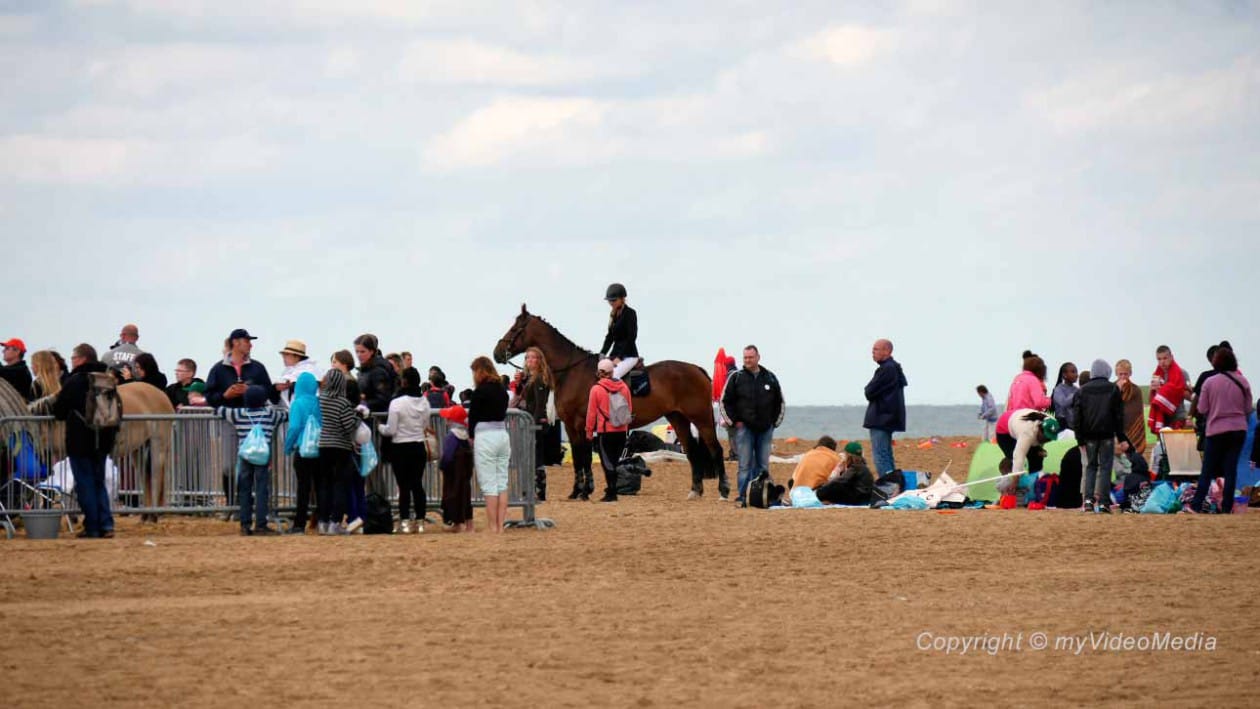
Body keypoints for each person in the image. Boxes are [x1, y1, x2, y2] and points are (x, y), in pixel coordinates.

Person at [51, 344, 118, 538]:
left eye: (73, 357)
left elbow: (60, 411)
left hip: (80, 440)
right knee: (99, 482)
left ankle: (93, 527)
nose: (72, 361)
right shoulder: (107, 380)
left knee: (85, 483)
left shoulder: (75, 381)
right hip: (104, 438)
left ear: (81, 359)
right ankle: (106, 525)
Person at [1189, 347, 1253, 514]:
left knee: (1207, 470)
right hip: (1238, 430)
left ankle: (1196, 505)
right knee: (1230, 469)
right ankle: (1226, 507)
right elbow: (1247, 408)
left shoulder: (1209, 382)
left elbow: (1202, 409)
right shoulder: (1243, 381)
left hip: (1216, 430)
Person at [721, 345, 785, 504]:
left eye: (751, 357)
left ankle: (761, 495)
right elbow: (725, 401)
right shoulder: (736, 377)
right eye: (745, 358)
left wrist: (774, 423)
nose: (748, 360)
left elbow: (780, 402)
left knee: (763, 465)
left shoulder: (770, 377)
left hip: (765, 429)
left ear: (758, 357)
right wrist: (735, 423)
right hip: (745, 430)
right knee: (744, 465)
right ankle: (743, 495)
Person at [216, 386, 284, 535]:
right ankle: (261, 524)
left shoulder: (239, 414)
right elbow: (285, 415)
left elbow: (219, 410)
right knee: (261, 489)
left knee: (244, 490)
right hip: (263, 457)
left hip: (245, 456)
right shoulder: (270, 415)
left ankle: (245, 525)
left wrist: (225, 396)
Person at [1072, 359, 1130, 514]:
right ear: (1107, 372)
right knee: (1105, 467)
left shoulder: (1082, 391)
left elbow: (1077, 417)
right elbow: (1118, 416)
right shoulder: (1113, 389)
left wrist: (1079, 438)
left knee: (1091, 467)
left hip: (1089, 436)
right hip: (1107, 435)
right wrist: (1122, 437)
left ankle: (1088, 501)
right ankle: (1104, 503)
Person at [380, 367, 431, 533]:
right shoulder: (424, 402)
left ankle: (404, 521)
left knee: (403, 486)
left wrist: (380, 427)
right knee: (417, 484)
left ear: (404, 381)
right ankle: (421, 520)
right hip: (418, 445)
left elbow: (391, 429)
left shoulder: (397, 403)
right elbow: (425, 424)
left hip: (400, 447)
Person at [468, 356, 510, 532]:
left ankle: (492, 526)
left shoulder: (479, 392)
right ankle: (500, 525)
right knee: (502, 481)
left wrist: (471, 437)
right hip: (502, 434)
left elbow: (473, 417)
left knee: (489, 483)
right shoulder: (502, 391)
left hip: (485, 436)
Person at [317, 369, 361, 535]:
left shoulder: (321, 400)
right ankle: (335, 522)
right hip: (341, 447)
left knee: (325, 485)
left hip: (324, 445)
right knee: (341, 485)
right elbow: (349, 425)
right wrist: (358, 417)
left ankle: (323, 521)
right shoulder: (343, 403)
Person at [586, 358, 632, 503]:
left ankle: (612, 493)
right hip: (621, 431)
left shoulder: (596, 389)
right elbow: (629, 408)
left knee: (608, 463)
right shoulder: (624, 387)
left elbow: (591, 413)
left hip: (605, 431)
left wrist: (589, 430)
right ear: (612, 371)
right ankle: (612, 490)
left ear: (599, 372)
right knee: (615, 460)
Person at [512, 346, 554, 501]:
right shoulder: (529, 378)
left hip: (534, 423)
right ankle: (532, 490)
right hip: (529, 421)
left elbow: (539, 404)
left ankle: (538, 491)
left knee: (535, 458)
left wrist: (533, 423)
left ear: (539, 360)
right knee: (530, 457)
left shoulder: (540, 378)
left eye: (533, 357)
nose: (530, 360)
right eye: (527, 357)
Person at [282, 372, 321, 535]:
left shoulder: (297, 404)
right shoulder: (319, 402)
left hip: (302, 450)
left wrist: (288, 446)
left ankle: (299, 524)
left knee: (303, 488)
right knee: (320, 487)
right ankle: (322, 520)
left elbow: (294, 427)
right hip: (319, 449)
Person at [863, 339, 907, 476]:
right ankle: (893, 482)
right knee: (886, 454)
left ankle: (888, 484)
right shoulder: (893, 368)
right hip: (888, 417)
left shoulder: (887, 369)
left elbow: (869, 391)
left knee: (881, 455)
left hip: (882, 418)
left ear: (887, 351)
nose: (873, 353)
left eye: (876, 349)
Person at [204, 329, 278, 408]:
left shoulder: (258, 367)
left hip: (253, 418)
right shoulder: (218, 369)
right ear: (235, 342)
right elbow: (209, 397)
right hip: (227, 418)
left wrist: (251, 391)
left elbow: (269, 392)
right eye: (247, 341)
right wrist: (225, 395)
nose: (251, 345)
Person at [996, 409, 1058, 490]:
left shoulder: (1052, 424)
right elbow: (1018, 456)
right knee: (1016, 462)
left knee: (1036, 458)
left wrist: (1039, 449)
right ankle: (1008, 483)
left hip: (1019, 422)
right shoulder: (1027, 432)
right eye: (1045, 437)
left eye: (1049, 439)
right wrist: (1015, 480)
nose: (1046, 440)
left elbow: (1042, 440)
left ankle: (1035, 485)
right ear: (1039, 429)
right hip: (1004, 430)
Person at [438, 404, 475, 532]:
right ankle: (469, 524)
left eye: (448, 418)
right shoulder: (466, 437)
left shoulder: (452, 437)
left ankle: (457, 523)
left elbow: (448, 455)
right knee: (466, 495)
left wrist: (442, 465)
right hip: (464, 474)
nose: (446, 421)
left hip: (452, 474)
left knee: (453, 496)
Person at [600, 283, 639, 381]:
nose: (611, 303)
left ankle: (620, 397)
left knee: (613, 376)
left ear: (622, 299)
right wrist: (602, 353)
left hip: (629, 356)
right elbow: (610, 337)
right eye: (609, 300)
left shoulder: (630, 313)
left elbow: (631, 338)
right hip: (615, 354)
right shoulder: (613, 315)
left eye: (614, 300)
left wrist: (620, 357)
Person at [1148, 345, 1191, 434]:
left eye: (1165, 358)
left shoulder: (1182, 373)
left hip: (1178, 417)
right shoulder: (1156, 375)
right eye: (1159, 359)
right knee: (1163, 447)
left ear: (1171, 357)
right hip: (1162, 419)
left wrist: (1170, 391)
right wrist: (1152, 390)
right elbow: (1151, 401)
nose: (1162, 362)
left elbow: (1190, 397)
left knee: (1178, 447)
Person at [354, 334, 396, 414]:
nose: (359, 355)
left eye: (362, 352)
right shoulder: (364, 370)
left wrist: (364, 403)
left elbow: (383, 398)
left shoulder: (378, 371)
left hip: (377, 417)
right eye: (357, 352)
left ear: (371, 351)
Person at [274, 340, 321, 410]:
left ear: (296, 356)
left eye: (287, 354)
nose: (283, 357)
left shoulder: (307, 369)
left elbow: (286, 382)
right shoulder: (289, 370)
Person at [1114, 359, 1146, 457]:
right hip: (1115, 431)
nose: (1123, 377)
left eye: (1125, 374)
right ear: (1116, 373)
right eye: (1120, 374)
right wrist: (1117, 391)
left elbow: (1138, 414)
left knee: (1132, 459)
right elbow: (1110, 409)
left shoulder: (1136, 390)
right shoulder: (1111, 389)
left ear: (1130, 373)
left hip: (1132, 432)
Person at [1051, 362, 1079, 432]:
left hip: (1075, 426)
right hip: (1062, 426)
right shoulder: (1059, 389)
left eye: (1076, 372)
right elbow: (1063, 403)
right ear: (1064, 375)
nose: (1076, 375)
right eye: (1073, 372)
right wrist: (1075, 394)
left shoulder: (1077, 389)